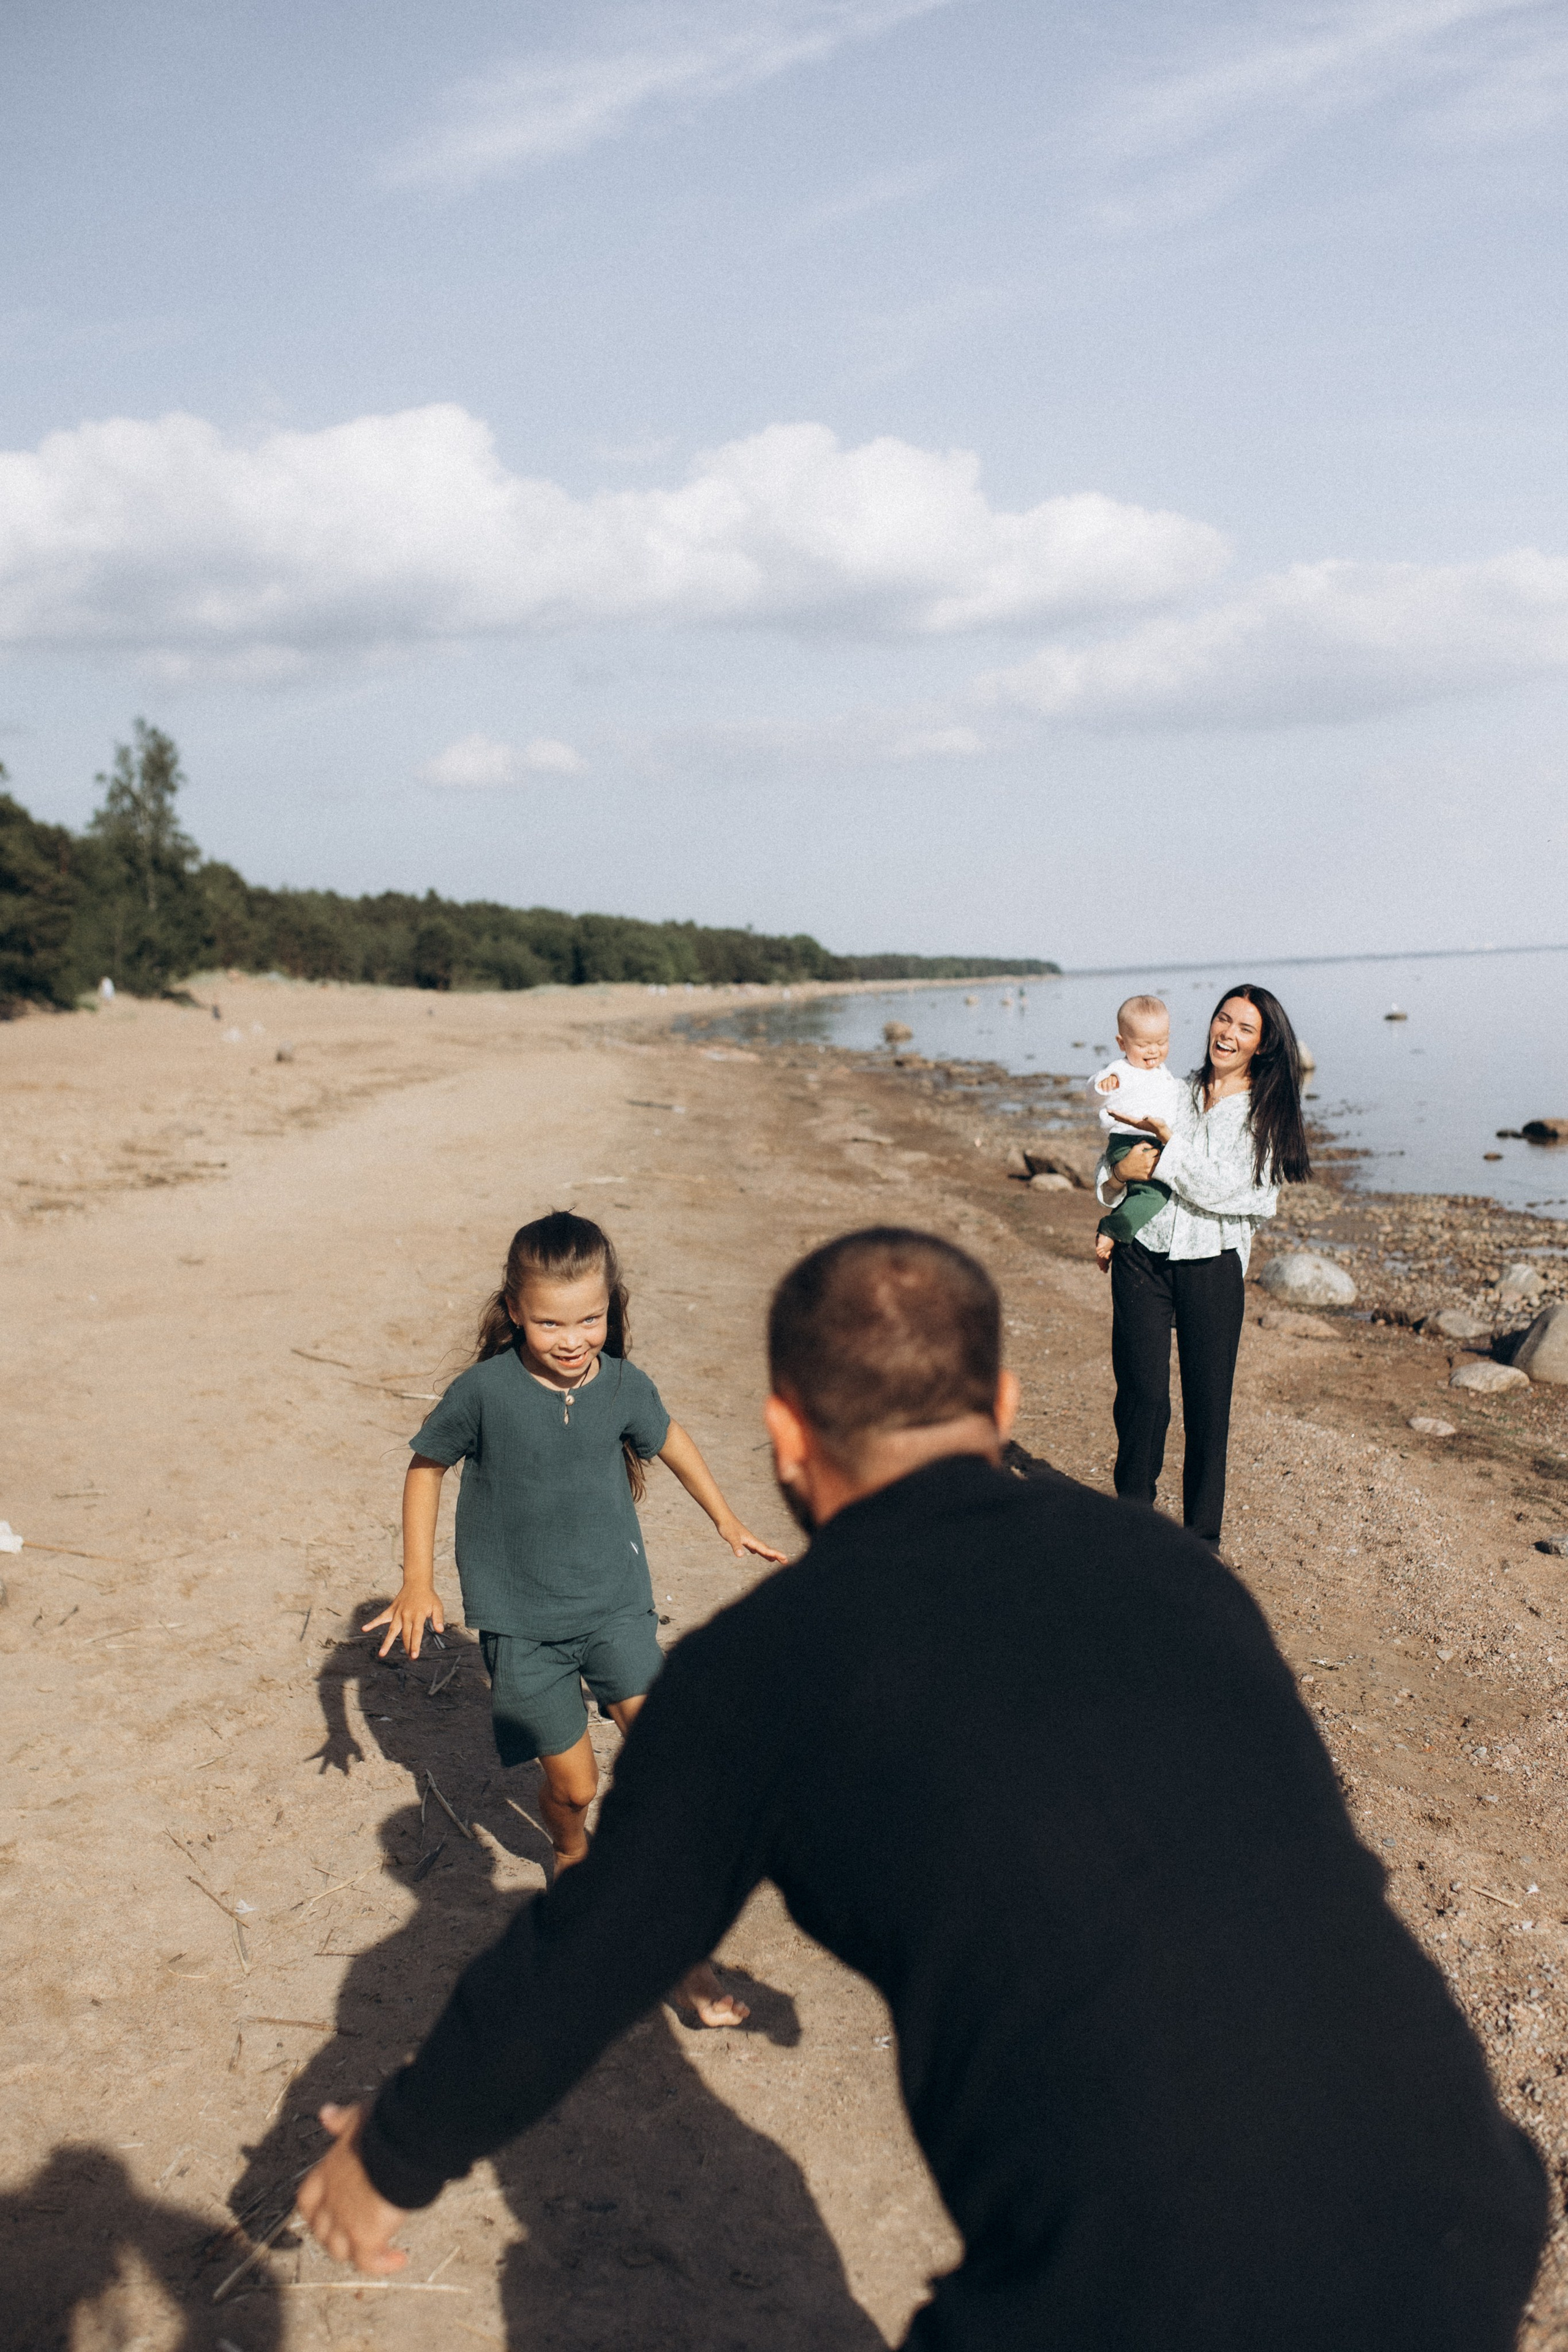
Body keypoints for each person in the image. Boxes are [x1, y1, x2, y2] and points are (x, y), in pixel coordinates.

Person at [298, 1228, 1545, 2348]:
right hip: (1462, 2205)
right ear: (997, 1407)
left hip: (1130, 2283)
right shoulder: (1170, 1571)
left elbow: (587, 1953)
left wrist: (393, 2153)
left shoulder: (757, 1672)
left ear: (785, 1437)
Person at [365, 1207, 785, 2022]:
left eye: (589, 1318)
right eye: (551, 1320)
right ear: (516, 1310)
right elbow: (426, 1468)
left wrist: (726, 1518)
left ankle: (684, 1956)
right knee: (575, 1788)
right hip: (524, 1630)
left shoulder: (623, 1386)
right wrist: (417, 1580)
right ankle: (568, 1851)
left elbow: (670, 1438)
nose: (572, 1338)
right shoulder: (482, 1393)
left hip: (617, 1611)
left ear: (610, 1307)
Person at [1096, 982, 1310, 1547]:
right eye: (1223, 1019)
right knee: (1141, 1398)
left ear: (1263, 1046)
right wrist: (1117, 1179)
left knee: (1207, 1411)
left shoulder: (1266, 1112)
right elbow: (1117, 1155)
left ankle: (1200, 1546)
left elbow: (1237, 1193)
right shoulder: (1171, 1088)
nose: (1228, 1033)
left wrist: (1167, 1154)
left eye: (1245, 1028)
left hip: (1212, 1267)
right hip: (1142, 1256)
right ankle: (1133, 1529)